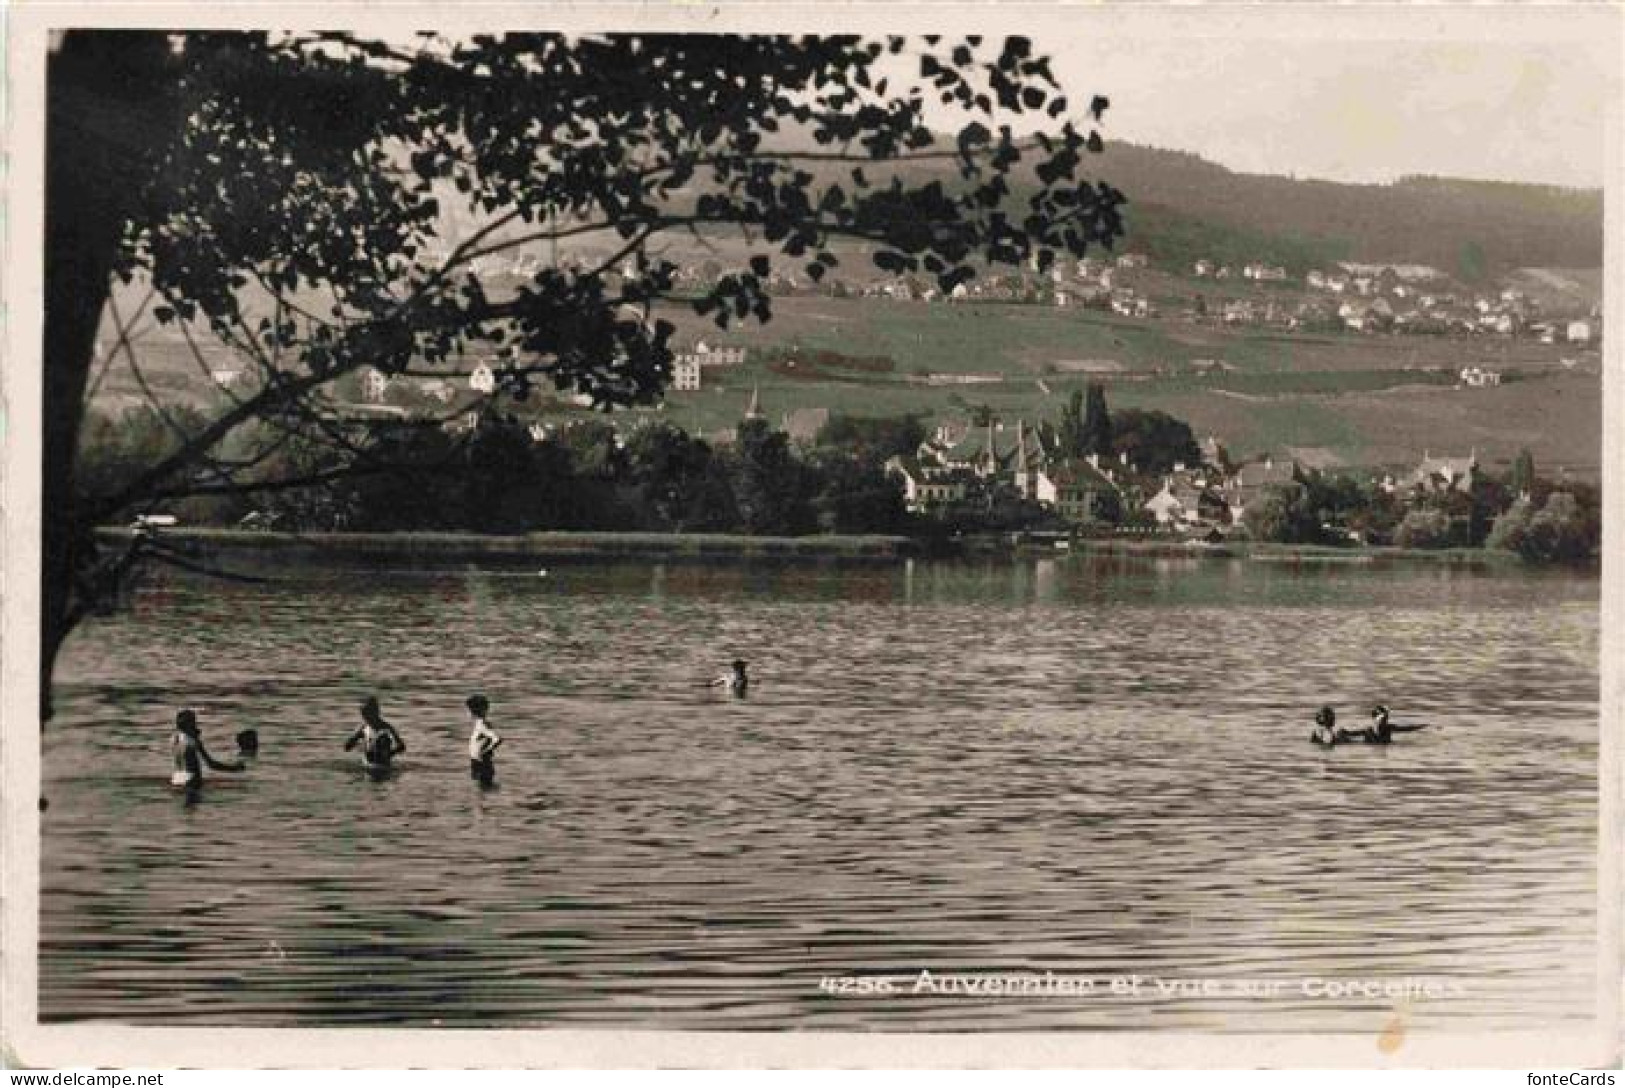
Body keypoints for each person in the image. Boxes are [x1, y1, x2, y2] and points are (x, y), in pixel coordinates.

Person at [171, 709, 245, 789]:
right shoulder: (193, 741)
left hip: (177, 781)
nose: (196, 725)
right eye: (194, 722)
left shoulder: (174, 739)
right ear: (190, 724)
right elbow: (211, 764)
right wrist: (234, 768)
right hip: (192, 782)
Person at [344, 696, 405, 779]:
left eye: (368, 715)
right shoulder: (364, 728)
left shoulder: (387, 728)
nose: (366, 719)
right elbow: (347, 747)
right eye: (364, 716)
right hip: (368, 764)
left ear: (377, 712)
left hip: (384, 765)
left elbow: (402, 746)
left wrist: (389, 754)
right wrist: (354, 743)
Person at [466, 694, 502, 787]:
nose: (469, 712)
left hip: (483, 764)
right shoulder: (479, 724)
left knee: (485, 789)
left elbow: (497, 740)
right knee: (483, 789)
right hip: (480, 763)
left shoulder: (483, 724)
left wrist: (482, 753)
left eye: (470, 710)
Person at [1354, 704, 1430, 744]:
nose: (1385, 721)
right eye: (1384, 718)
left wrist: (1424, 726)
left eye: (1386, 719)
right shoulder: (1368, 731)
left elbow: (1407, 728)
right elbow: (1353, 735)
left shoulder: (1388, 728)